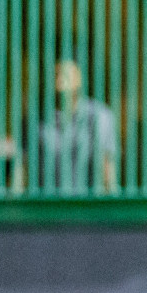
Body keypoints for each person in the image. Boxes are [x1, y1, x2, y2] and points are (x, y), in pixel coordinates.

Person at [40, 60, 119, 194]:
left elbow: (107, 168)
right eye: (56, 74)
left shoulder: (100, 116)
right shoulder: (38, 119)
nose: (59, 79)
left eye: (65, 74)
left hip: (89, 208)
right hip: (47, 208)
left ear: (80, 78)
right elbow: (24, 168)